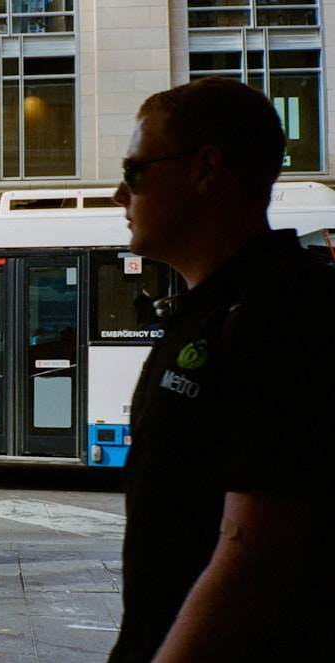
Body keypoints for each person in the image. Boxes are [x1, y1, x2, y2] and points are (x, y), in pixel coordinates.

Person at [107, 77, 335, 662]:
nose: (117, 194)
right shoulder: (208, 312)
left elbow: (255, 556)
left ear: (205, 168)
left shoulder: (286, 313)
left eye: (134, 172)